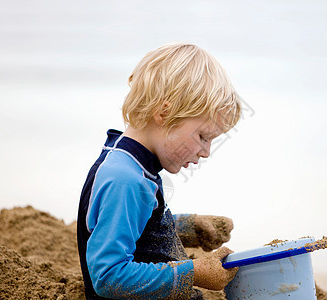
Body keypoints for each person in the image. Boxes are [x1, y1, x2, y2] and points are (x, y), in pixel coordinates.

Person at [77, 42, 242, 299]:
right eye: (202, 136)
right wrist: (193, 272)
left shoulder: (130, 162)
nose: (206, 151)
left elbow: (136, 226)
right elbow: (108, 277)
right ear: (164, 113)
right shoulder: (126, 180)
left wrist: (190, 227)